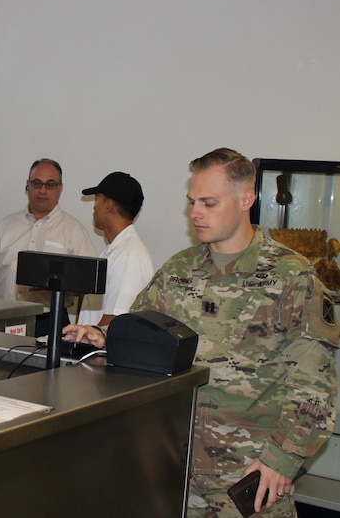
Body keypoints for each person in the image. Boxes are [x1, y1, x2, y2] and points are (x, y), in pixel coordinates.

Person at [64, 148, 338, 517]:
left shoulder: (291, 277)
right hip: (173, 470)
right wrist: (105, 338)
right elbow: (145, 331)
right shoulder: (180, 269)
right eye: (193, 201)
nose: (195, 213)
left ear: (246, 199)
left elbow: (314, 386)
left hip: (247, 479)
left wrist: (283, 460)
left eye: (209, 203)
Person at [0, 158, 96, 311]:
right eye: (37, 183)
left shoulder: (74, 231)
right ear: (28, 185)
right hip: (3, 316)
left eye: (50, 184)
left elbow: (88, 282)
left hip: (51, 320)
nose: (42, 190)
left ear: (60, 188)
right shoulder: (6, 226)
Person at [76, 171, 154, 326]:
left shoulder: (129, 256)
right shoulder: (115, 251)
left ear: (108, 205)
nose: (94, 208)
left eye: (97, 200)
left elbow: (115, 320)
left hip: (101, 349)